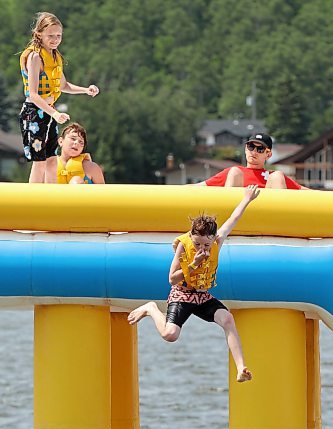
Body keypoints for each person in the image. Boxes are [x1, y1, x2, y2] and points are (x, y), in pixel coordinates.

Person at [128, 185, 260, 383]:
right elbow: (172, 279)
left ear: (213, 239)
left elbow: (232, 220)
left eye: (206, 245)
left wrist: (246, 199)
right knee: (170, 334)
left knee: (228, 319)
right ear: (191, 237)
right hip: (182, 294)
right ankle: (151, 309)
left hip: (202, 296)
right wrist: (193, 264)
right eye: (197, 244)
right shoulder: (184, 246)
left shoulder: (216, 242)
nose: (202, 248)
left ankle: (241, 368)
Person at [19, 12, 100, 183]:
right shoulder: (35, 57)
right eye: (51, 36)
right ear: (39, 34)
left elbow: (64, 85)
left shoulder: (55, 57)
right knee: (39, 161)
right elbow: (33, 94)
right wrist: (55, 113)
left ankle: (52, 200)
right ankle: (34, 200)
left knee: (51, 160)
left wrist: (86, 90)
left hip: (49, 113)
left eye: (58, 36)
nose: (55, 39)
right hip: (34, 114)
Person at [197, 133, 307, 189]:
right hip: (238, 217)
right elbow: (199, 187)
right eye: (250, 147)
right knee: (235, 172)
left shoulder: (273, 177)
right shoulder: (233, 172)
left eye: (260, 149)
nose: (254, 152)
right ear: (245, 149)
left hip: (268, 217)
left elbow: (304, 191)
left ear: (268, 155)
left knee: (278, 176)